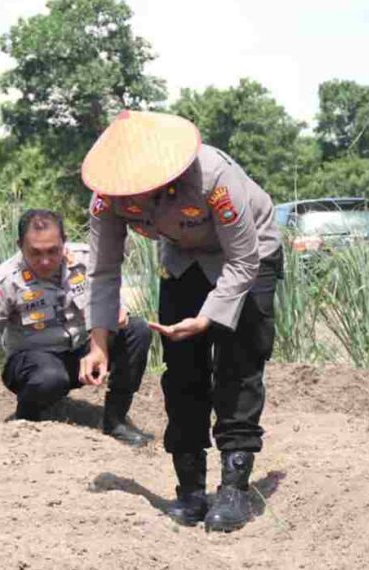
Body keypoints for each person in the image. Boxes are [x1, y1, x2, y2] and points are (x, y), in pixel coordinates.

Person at [81, 110, 282, 533]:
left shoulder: (213, 177)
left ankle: (233, 488)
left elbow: (243, 260)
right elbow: (103, 272)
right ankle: (190, 487)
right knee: (182, 371)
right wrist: (98, 342)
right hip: (183, 258)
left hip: (249, 255)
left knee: (239, 365)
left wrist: (208, 318)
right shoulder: (107, 198)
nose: (135, 199)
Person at [0, 209, 153, 446]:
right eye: (35, 253)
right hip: (33, 364)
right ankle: (26, 423)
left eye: (53, 251)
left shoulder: (86, 261)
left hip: (84, 354)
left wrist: (116, 310)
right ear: (20, 245)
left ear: (64, 241)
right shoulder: (4, 280)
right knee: (50, 377)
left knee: (137, 330)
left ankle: (116, 421)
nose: (45, 261)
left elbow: (110, 291)